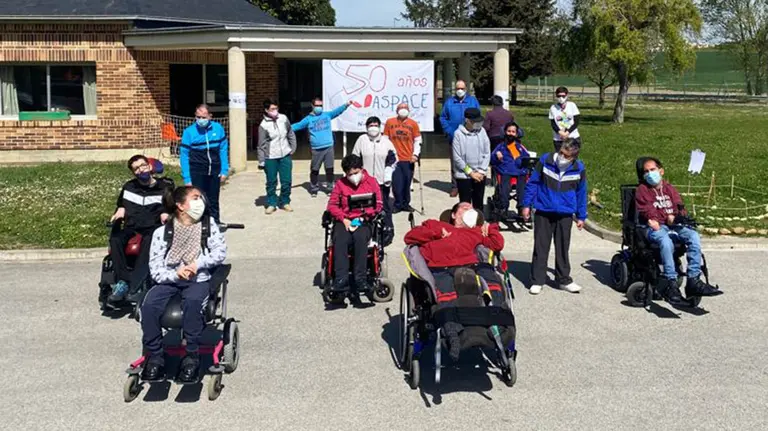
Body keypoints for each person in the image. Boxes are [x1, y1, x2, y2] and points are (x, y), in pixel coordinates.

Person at [140, 186, 227, 383]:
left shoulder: (208, 225)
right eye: (195, 198)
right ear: (180, 206)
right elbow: (155, 268)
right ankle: (155, 356)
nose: (200, 202)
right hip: (170, 278)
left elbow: (219, 253)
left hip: (198, 278)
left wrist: (197, 264)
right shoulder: (162, 233)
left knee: (193, 303)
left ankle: (192, 355)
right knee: (149, 305)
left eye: (201, 198)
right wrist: (174, 274)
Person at [635, 157, 723, 306]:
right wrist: (665, 218)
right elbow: (648, 211)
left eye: (653, 170)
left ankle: (693, 280)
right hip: (653, 228)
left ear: (661, 171)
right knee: (666, 241)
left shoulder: (670, 189)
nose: (650, 174)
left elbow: (680, 207)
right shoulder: (642, 190)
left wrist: (679, 217)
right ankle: (671, 283)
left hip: (673, 225)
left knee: (693, 236)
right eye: (646, 172)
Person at [404, 202, 505, 305]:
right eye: (465, 208)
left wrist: (489, 228)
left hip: (471, 266)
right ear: (453, 215)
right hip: (442, 268)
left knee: (490, 276)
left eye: (472, 210)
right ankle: (450, 319)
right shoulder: (435, 225)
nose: (469, 211)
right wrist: (436, 233)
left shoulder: (476, 231)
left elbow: (497, 244)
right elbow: (409, 237)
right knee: (449, 296)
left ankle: (497, 313)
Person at [521, 139, 587, 295]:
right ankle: (537, 280)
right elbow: (533, 183)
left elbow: (581, 192)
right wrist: (526, 205)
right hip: (544, 210)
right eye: (562, 153)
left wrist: (581, 216)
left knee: (563, 247)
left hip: (565, 213)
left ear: (574, 157)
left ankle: (563, 279)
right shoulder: (546, 161)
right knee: (541, 246)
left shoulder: (579, 168)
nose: (562, 157)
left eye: (567, 156)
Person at [107, 155, 174, 304]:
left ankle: (134, 287)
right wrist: (120, 209)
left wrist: (166, 213)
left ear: (150, 166)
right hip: (132, 226)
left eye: (143, 165)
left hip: (153, 228)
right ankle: (123, 282)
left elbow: (170, 208)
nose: (141, 170)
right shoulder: (129, 187)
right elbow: (121, 204)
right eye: (136, 169)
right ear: (133, 173)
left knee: (149, 242)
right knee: (115, 238)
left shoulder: (165, 187)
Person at [326, 154, 383, 294]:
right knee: (340, 239)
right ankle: (341, 279)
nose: (353, 176)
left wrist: (366, 215)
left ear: (361, 169)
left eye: (356, 173)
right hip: (345, 220)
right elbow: (332, 205)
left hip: (365, 220)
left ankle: (360, 279)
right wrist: (343, 219)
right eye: (350, 174)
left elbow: (379, 204)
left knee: (359, 237)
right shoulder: (341, 184)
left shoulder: (372, 182)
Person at [292, 97, 353, 197]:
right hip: (316, 149)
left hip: (329, 147)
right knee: (315, 170)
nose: (319, 107)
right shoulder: (308, 119)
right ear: (312, 106)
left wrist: (346, 104)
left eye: (320, 105)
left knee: (329, 169)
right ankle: (314, 189)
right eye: (317, 105)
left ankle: (329, 188)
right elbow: (297, 126)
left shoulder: (327, 115)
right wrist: (284, 127)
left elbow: (337, 111)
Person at [352, 116, 397, 245]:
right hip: (364, 182)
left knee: (384, 207)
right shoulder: (362, 140)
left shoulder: (386, 141)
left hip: (382, 182)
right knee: (365, 207)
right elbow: (355, 158)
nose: (373, 128)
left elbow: (393, 158)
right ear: (366, 127)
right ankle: (367, 231)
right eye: (370, 125)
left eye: (375, 125)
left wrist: (388, 171)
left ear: (379, 127)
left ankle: (387, 230)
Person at [180, 104, 229, 223]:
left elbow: (223, 150)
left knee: (213, 199)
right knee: (198, 200)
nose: (200, 120)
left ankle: (215, 222)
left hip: (214, 170)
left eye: (203, 117)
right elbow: (184, 155)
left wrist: (224, 169)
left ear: (210, 116)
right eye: (198, 117)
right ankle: (200, 223)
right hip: (197, 170)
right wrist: (187, 178)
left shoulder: (218, 129)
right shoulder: (189, 132)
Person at [440, 80, 480, 197]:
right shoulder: (449, 102)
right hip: (454, 138)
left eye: (462, 88)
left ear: (466, 89)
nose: (460, 90)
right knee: (455, 163)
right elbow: (443, 118)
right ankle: (455, 186)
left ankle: (471, 183)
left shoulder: (472, 101)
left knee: (471, 161)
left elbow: (478, 117)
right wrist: (449, 131)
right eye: (458, 88)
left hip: (471, 137)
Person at [257, 99, 297, 215]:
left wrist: (292, 148)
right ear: (266, 110)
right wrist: (261, 161)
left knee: (287, 181)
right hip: (270, 157)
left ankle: (285, 201)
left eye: (276, 108)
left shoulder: (283, 118)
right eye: (272, 109)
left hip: (285, 155)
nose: (275, 111)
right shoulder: (263, 125)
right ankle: (271, 203)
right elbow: (261, 145)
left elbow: (290, 133)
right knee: (271, 182)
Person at [384, 102, 422, 213]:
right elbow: (385, 138)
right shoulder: (390, 122)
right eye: (401, 108)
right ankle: (398, 204)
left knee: (407, 182)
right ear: (396, 110)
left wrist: (415, 154)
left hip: (408, 158)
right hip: (394, 159)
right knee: (396, 183)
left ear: (409, 110)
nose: (403, 109)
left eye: (405, 108)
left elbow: (418, 140)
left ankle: (406, 204)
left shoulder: (413, 124)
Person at [452, 107, 491, 211]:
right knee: (465, 205)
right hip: (464, 175)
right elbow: (457, 158)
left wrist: (481, 171)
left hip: (479, 174)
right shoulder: (458, 134)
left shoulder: (482, 132)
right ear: (467, 120)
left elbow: (487, 152)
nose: (477, 124)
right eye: (474, 122)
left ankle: (478, 224)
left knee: (478, 203)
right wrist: (470, 173)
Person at [490, 122, 530, 219]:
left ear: (516, 134)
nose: (511, 134)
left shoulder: (520, 147)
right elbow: (492, 159)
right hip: (505, 171)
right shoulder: (501, 147)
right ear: (505, 132)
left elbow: (527, 158)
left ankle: (521, 207)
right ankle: (503, 207)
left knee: (523, 188)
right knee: (504, 188)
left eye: (513, 132)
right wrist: (497, 156)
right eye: (509, 131)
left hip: (520, 172)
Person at [549, 86, 581, 151]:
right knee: (560, 158)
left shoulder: (572, 105)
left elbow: (576, 122)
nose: (561, 98)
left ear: (566, 95)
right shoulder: (553, 108)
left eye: (563, 96)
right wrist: (560, 132)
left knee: (572, 157)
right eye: (559, 96)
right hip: (558, 139)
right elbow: (553, 123)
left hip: (573, 137)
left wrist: (567, 133)